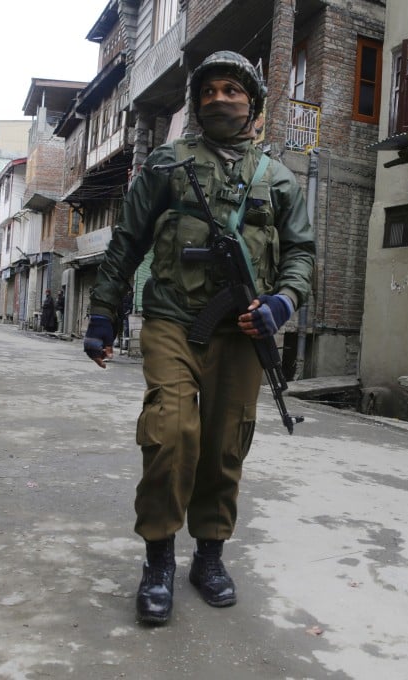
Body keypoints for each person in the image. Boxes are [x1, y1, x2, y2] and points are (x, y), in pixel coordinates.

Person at [82, 51, 315, 625]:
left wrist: (282, 302)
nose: (218, 98)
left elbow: (302, 253)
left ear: (254, 104)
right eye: (207, 90)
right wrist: (103, 313)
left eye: (231, 89)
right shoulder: (166, 163)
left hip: (243, 330)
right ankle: (158, 557)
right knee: (170, 431)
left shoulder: (279, 177)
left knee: (225, 442)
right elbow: (128, 240)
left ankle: (209, 555)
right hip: (172, 321)